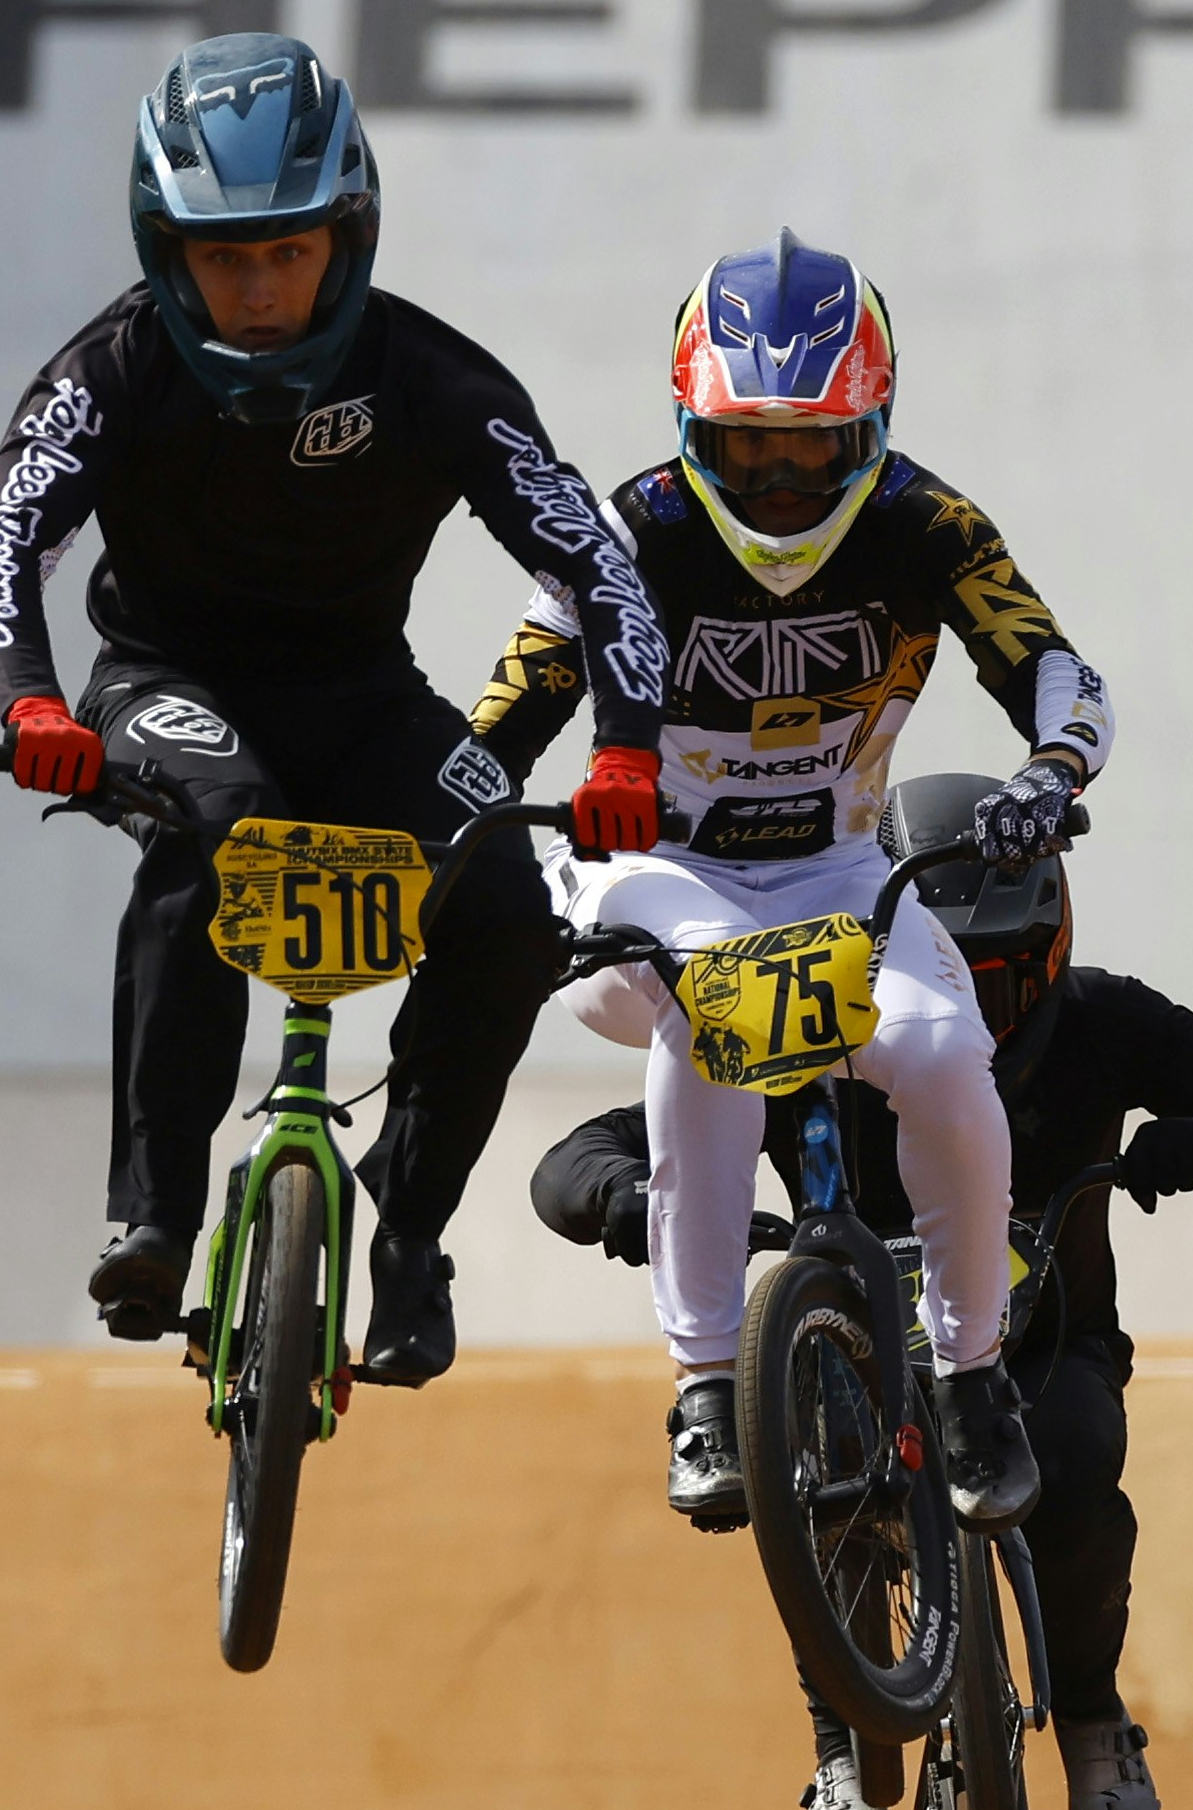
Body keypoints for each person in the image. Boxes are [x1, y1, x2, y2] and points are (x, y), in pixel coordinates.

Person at [0, 31, 669, 1381]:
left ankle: (406, 1229)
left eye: (289, 250)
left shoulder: (436, 377)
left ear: (350, 235)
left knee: (508, 903)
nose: (259, 290)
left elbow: (598, 567)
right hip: (166, 686)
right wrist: (36, 706)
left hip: (362, 700)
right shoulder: (108, 371)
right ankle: (155, 1216)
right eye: (222, 256)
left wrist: (626, 747)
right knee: (213, 830)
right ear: (165, 252)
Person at [523, 772, 1193, 1810]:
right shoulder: (816, 1022)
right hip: (852, 1364)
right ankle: (842, 1742)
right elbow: (576, 1157)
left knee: (1072, 1468)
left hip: (1045, 1349)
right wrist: (633, 1199)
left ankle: (1094, 1719)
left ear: (1054, 945)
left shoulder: (1105, 1020)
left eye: (1007, 979)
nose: (984, 1012)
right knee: (815, 1470)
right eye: (955, 976)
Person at [470, 228, 1111, 1533]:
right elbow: (514, 701)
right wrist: (451, 812)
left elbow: (1054, 664)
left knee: (945, 1059)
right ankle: (707, 1385)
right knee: (721, 1007)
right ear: (687, 429)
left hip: (841, 869)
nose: (774, 485)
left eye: (810, 450)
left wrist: (1050, 771)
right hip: (649, 870)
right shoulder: (625, 529)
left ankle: (973, 1375)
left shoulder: (930, 523)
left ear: (871, 428)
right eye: (744, 448)